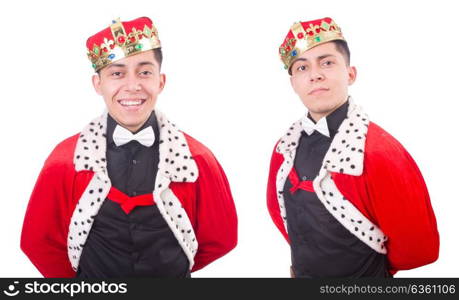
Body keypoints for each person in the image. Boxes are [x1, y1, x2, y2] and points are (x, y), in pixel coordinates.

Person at [20, 17, 238, 278]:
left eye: (145, 72)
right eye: (117, 73)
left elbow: (222, 238)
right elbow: (37, 242)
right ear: (98, 84)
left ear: (161, 81)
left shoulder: (197, 160)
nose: (133, 86)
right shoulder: (65, 161)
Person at [266, 17, 439, 278]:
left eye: (327, 62)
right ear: (293, 83)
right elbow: (282, 217)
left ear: (350, 74)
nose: (315, 75)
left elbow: (419, 249)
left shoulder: (381, 152)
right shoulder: (284, 149)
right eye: (302, 68)